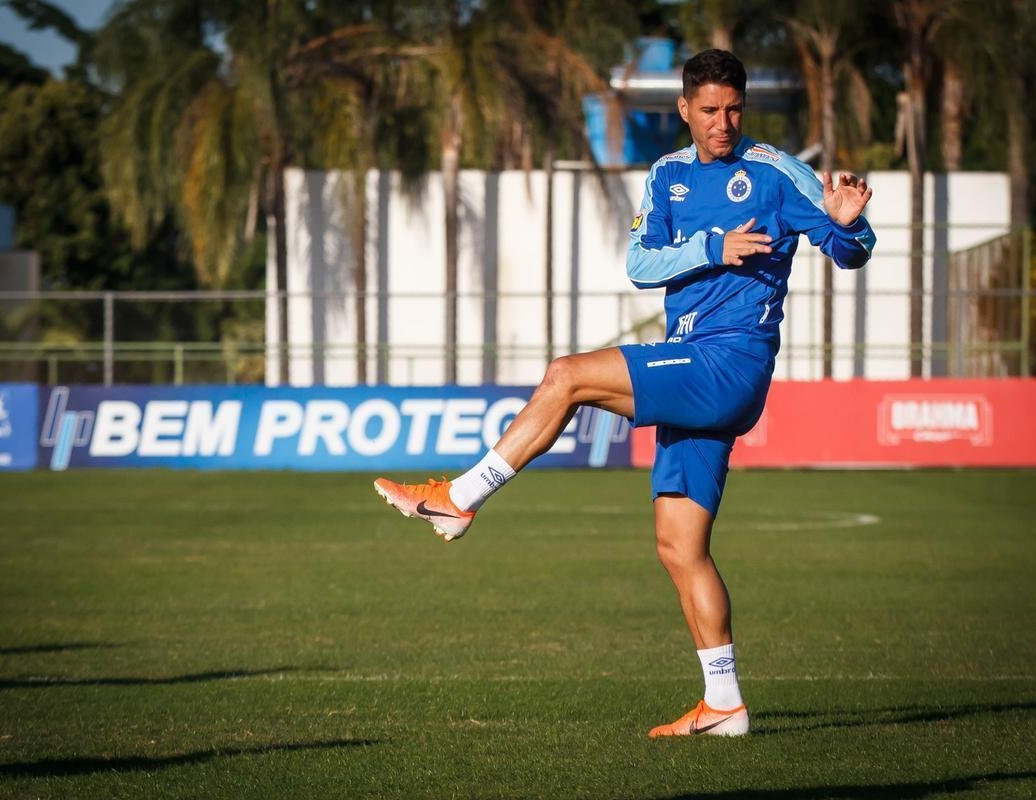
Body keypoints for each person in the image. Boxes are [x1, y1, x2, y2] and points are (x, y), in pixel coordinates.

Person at [374, 49, 875, 738]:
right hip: (691, 362)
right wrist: (711, 246)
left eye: (732, 109)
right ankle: (724, 704)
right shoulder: (665, 175)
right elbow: (640, 264)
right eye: (708, 111)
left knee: (565, 376)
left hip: (729, 362)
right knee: (679, 546)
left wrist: (847, 224)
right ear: (684, 110)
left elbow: (847, 248)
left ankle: (461, 499)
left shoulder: (775, 171)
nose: (722, 123)